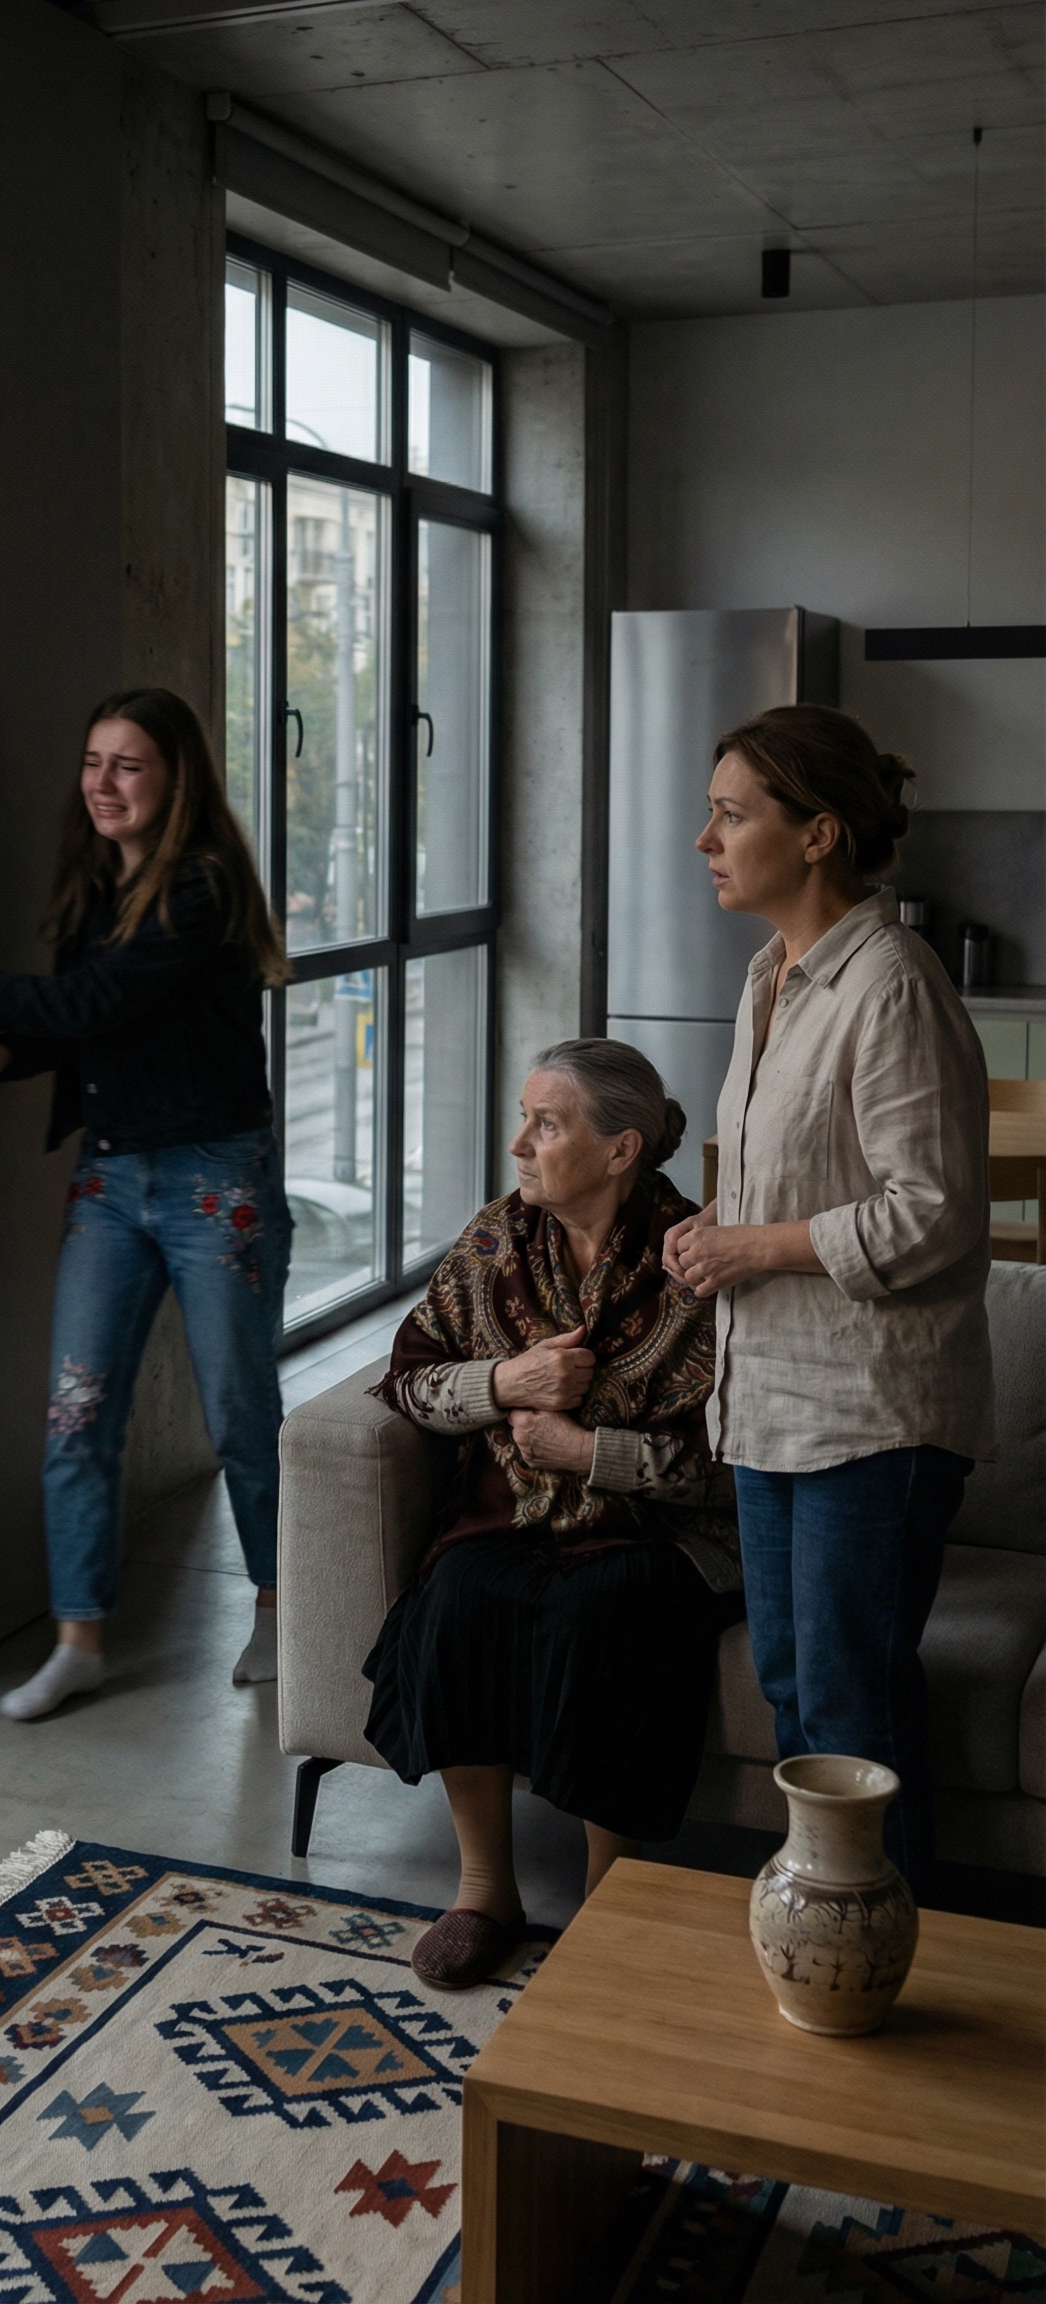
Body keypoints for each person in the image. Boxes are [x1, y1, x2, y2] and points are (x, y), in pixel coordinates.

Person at [0, 687, 292, 1719]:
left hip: (211, 1179)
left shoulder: (199, 889)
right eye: (93, 761)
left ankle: (284, 1612)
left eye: (129, 765)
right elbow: (95, 1025)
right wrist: (5, 1057)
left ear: (173, 778)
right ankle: (79, 1640)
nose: (103, 783)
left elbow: (103, 1001)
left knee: (238, 1411)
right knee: (75, 1415)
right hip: (111, 1182)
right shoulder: (98, 887)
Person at [664, 704, 991, 1891]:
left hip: (871, 1413)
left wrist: (752, 1249)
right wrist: (718, 1233)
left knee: (850, 1695)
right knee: (795, 1683)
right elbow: (792, 1179)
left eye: (730, 813)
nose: (702, 839)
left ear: (816, 835)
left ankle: (891, 1945)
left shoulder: (888, 983)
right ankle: (824, 1923)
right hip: (773, 1406)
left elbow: (936, 1211)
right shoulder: (769, 977)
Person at [363, 1041, 739, 1991]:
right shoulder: (496, 1239)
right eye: (525, 1116)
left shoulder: (693, 1263)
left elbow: (731, 1464)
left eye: (547, 1122)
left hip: (653, 1535)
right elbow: (405, 1380)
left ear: (620, 1150)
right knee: (456, 1593)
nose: (519, 1142)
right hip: (510, 1520)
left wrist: (586, 1452)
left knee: (601, 1614)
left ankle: (614, 1897)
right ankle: (485, 1891)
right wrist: (504, 1381)